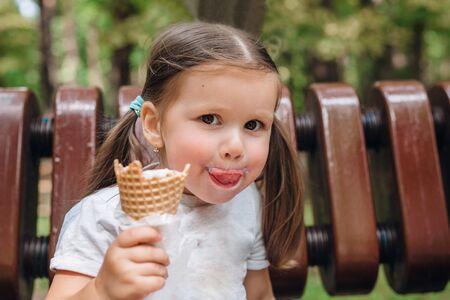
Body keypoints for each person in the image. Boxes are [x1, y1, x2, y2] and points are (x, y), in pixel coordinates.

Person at [46, 22, 303, 300]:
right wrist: (102, 291)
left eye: (253, 125)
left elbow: (259, 294)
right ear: (154, 125)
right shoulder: (102, 217)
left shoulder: (246, 202)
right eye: (209, 119)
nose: (235, 147)